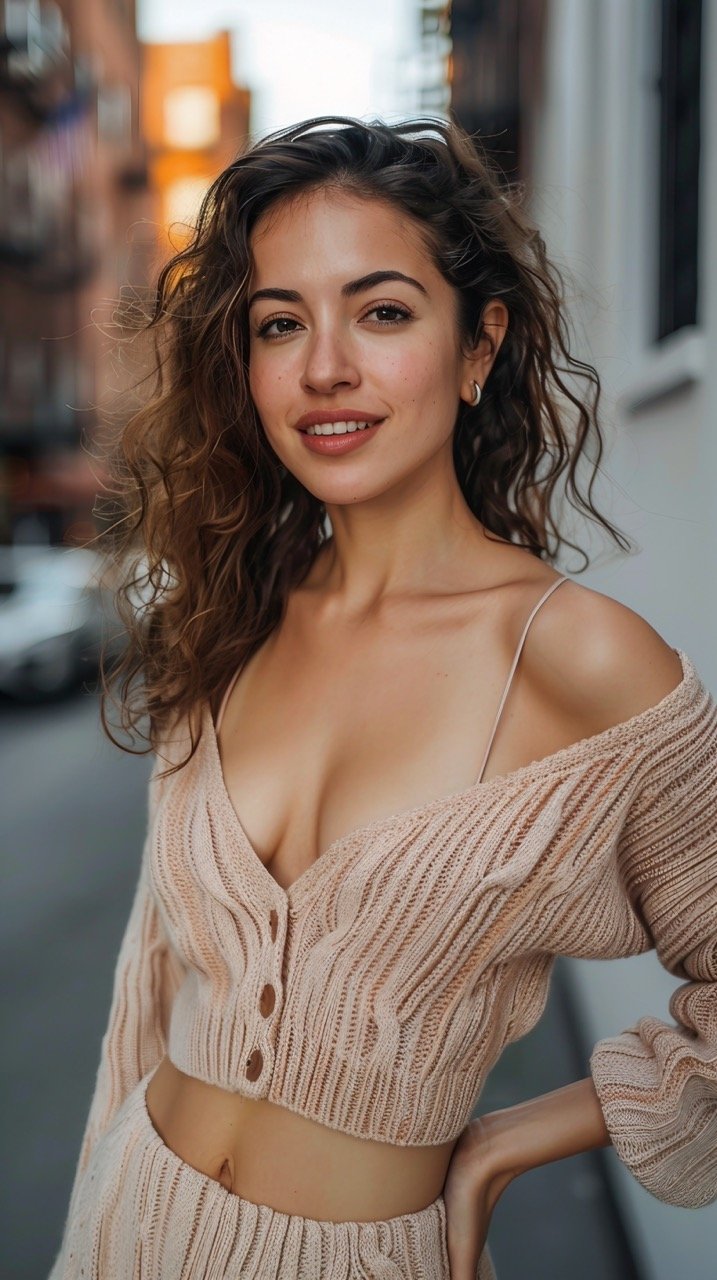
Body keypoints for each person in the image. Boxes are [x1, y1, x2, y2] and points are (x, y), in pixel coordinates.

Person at [50, 116, 717, 1280]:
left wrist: (506, 1142)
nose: (324, 370)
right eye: (279, 324)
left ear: (480, 344)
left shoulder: (584, 665)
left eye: (384, 311)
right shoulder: (232, 619)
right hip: (129, 1219)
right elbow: (148, 993)